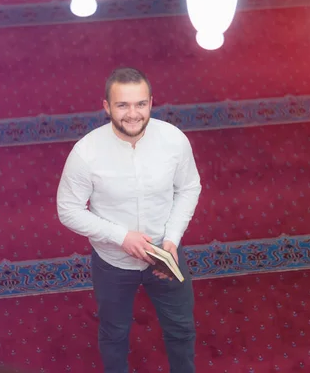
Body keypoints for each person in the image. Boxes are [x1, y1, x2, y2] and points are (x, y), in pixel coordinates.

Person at [56, 67, 202, 373]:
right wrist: (121, 237)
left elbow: (188, 187)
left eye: (140, 104)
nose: (133, 114)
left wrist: (172, 239)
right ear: (107, 107)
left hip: (166, 256)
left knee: (182, 331)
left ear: (151, 103)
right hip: (112, 263)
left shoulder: (174, 141)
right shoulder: (86, 153)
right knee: (114, 334)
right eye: (122, 105)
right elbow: (68, 208)